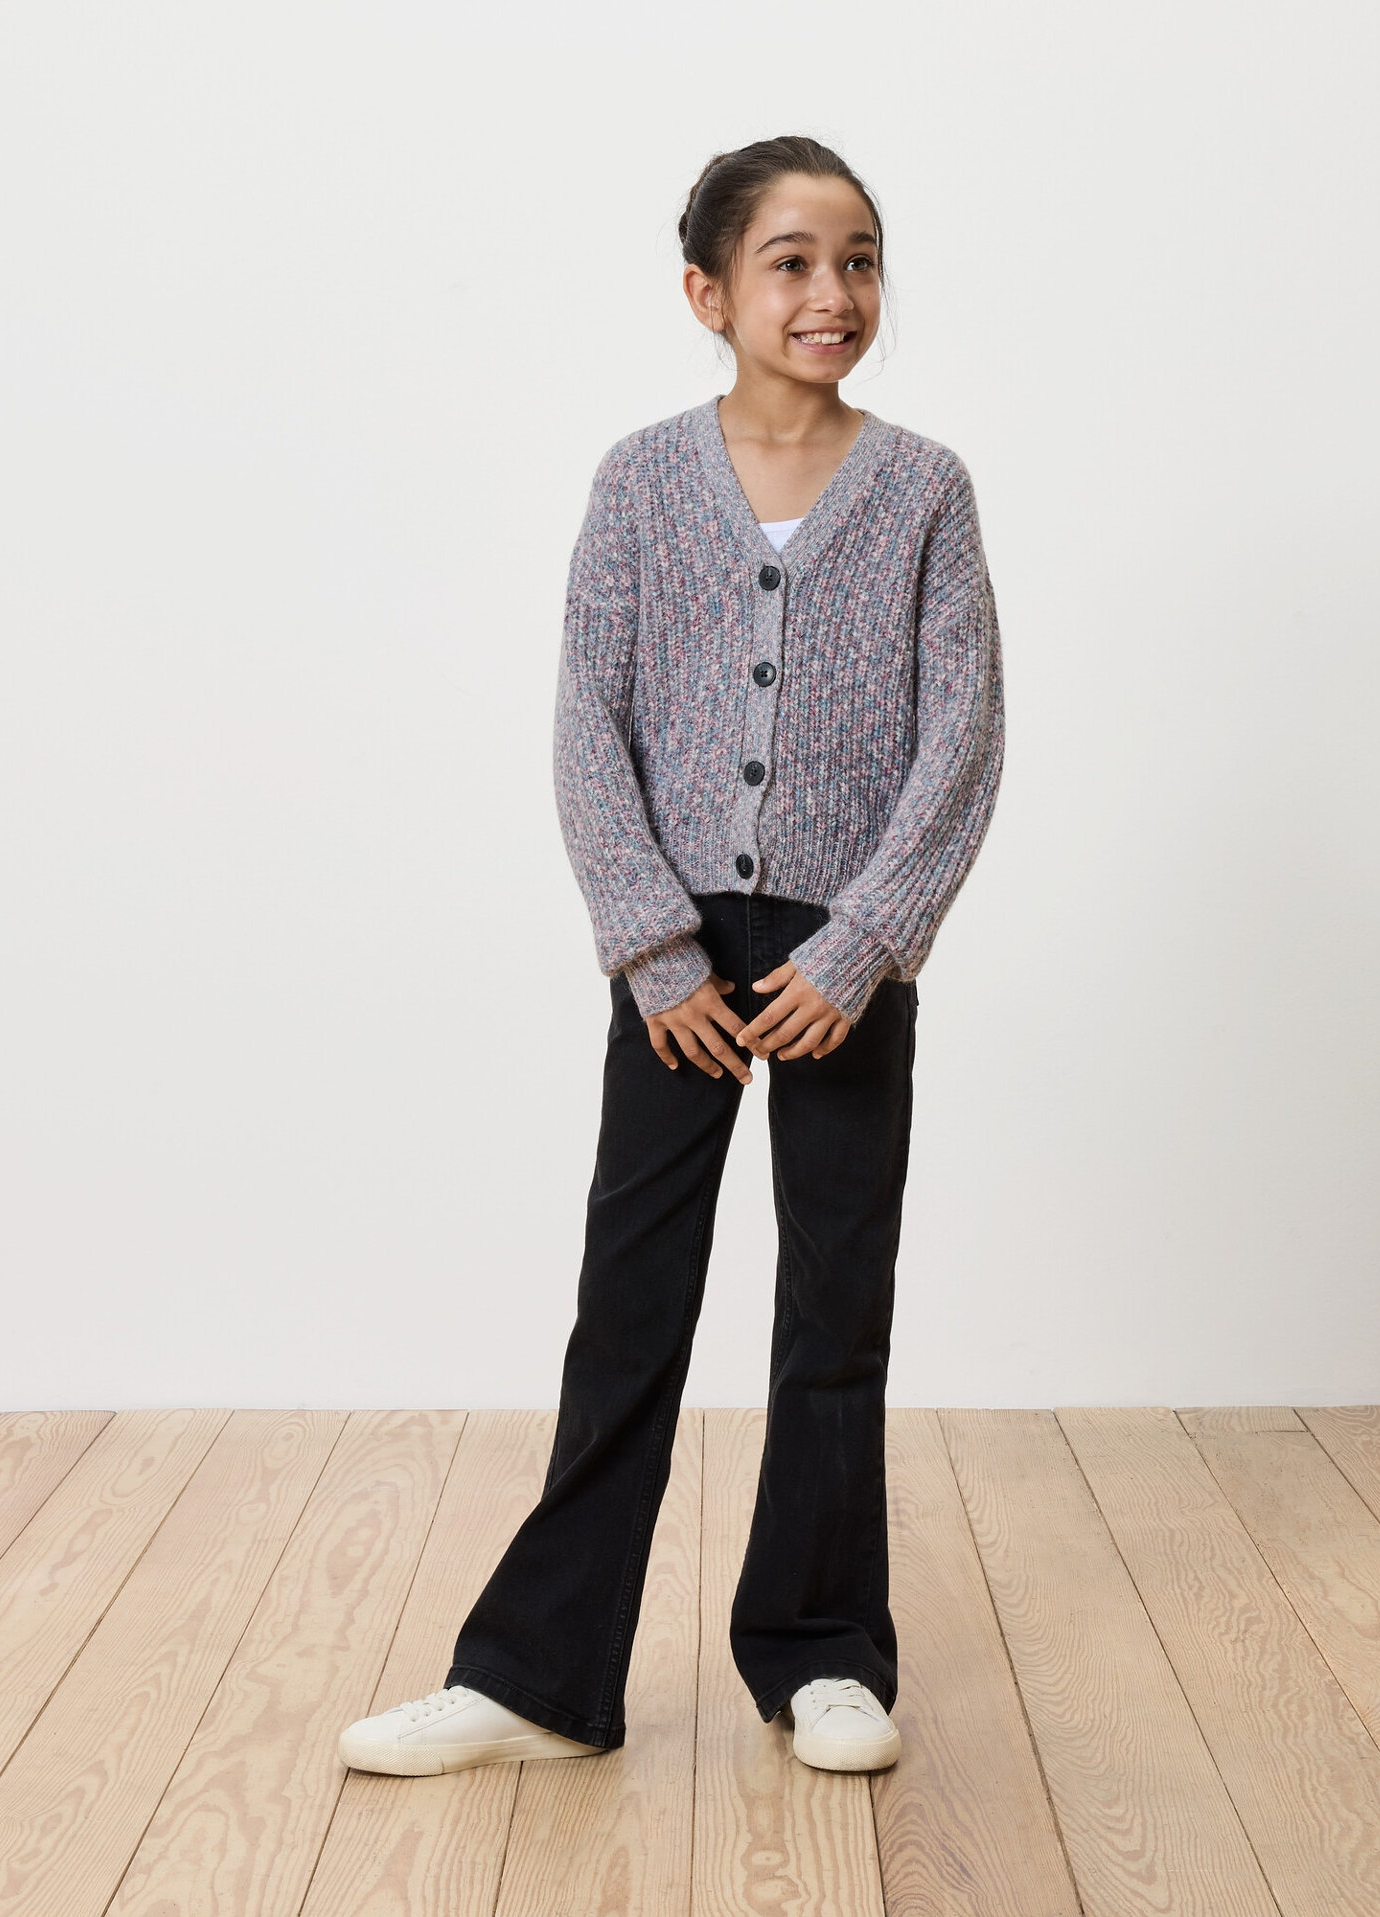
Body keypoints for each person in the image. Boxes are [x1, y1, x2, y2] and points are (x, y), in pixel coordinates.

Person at [339, 134, 1004, 1778]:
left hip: (846, 949)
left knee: (833, 1304)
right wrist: (649, 947)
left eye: (856, 258)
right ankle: (541, 1670)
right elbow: (590, 724)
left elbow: (965, 739)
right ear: (707, 290)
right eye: (789, 261)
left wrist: (863, 946)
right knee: (628, 1302)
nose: (831, 292)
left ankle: (822, 1649)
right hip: (676, 953)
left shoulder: (923, 488)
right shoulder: (640, 482)